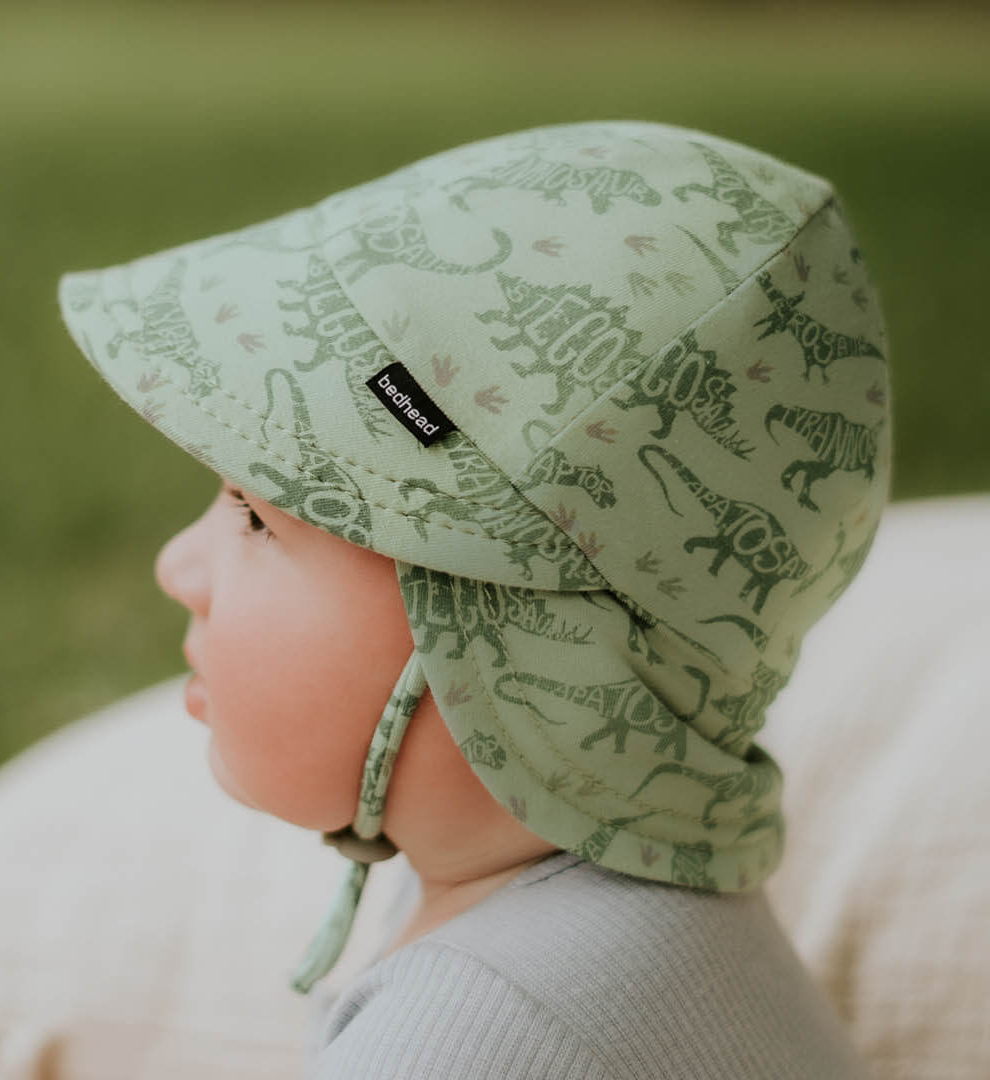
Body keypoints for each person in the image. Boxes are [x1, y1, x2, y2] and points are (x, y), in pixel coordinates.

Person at [59, 121, 886, 1078]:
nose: (175, 565)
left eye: (256, 519)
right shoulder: (622, 939)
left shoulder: (480, 1030)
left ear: (509, 632)